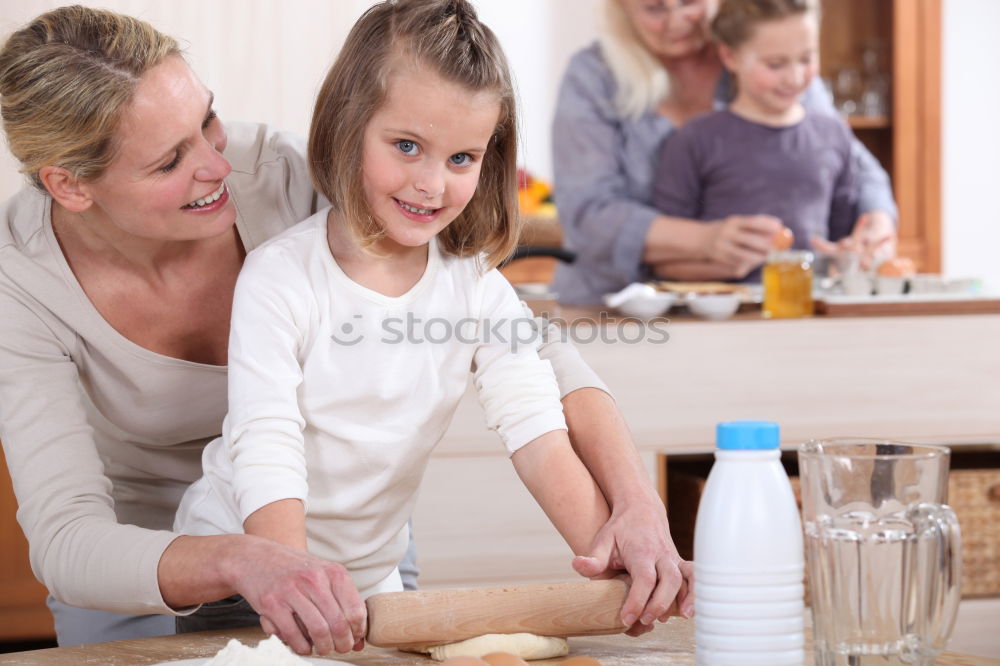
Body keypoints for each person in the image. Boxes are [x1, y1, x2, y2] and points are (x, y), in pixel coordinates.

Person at [0, 2, 690, 649]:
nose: (219, 166)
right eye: (170, 160)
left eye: (207, 121)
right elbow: (76, 535)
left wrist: (629, 520)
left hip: (355, 551)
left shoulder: (293, 175)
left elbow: (532, 375)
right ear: (70, 186)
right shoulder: (23, 283)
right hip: (157, 547)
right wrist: (276, 572)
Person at [172, 1, 630, 654]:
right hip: (249, 583)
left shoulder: (475, 289)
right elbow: (266, 447)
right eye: (407, 146)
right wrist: (296, 585)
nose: (431, 184)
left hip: (370, 584)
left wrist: (609, 566)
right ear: (347, 126)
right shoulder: (282, 279)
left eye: (462, 158)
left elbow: (539, 434)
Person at [551, 0, 897, 304]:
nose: (678, 20)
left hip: (759, 305)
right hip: (613, 304)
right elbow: (587, 213)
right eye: (655, 7)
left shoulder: (766, 51)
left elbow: (853, 164)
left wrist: (874, 226)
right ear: (622, 5)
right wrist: (703, 240)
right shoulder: (593, 78)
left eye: (690, 1)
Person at [651, 0, 856, 282]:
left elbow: (844, 241)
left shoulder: (834, 135)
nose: (794, 77)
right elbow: (664, 263)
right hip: (726, 318)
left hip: (811, 315)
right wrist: (724, 267)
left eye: (806, 59)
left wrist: (847, 255)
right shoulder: (695, 139)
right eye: (775, 64)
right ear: (730, 58)